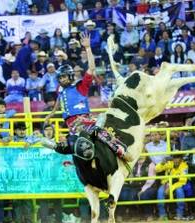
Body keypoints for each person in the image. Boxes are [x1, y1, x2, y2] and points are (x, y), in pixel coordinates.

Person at [45, 33, 131, 161]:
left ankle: (119, 150)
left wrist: (88, 48)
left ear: (70, 76)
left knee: (98, 132)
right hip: (71, 127)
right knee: (70, 147)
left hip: (84, 121)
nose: (62, 79)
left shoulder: (81, 87)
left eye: (64, 76)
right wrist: (50, 115)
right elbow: (58, 104)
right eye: (60, 77)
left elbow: (91, 68)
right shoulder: (61, 92)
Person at [156, 154, 189, 220]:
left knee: (180, 191)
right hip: (166, 184)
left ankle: (180, 214)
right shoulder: (169, 163)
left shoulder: (184, 166)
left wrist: (170, 188)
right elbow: (157, 169)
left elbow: (183, 181)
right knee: (160, 192)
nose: (176, 159)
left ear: (181, 159)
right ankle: (162, 214)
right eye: (174, 157)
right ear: (172, 158)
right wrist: (162, 163)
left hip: (177, 184)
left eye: (178, 157)